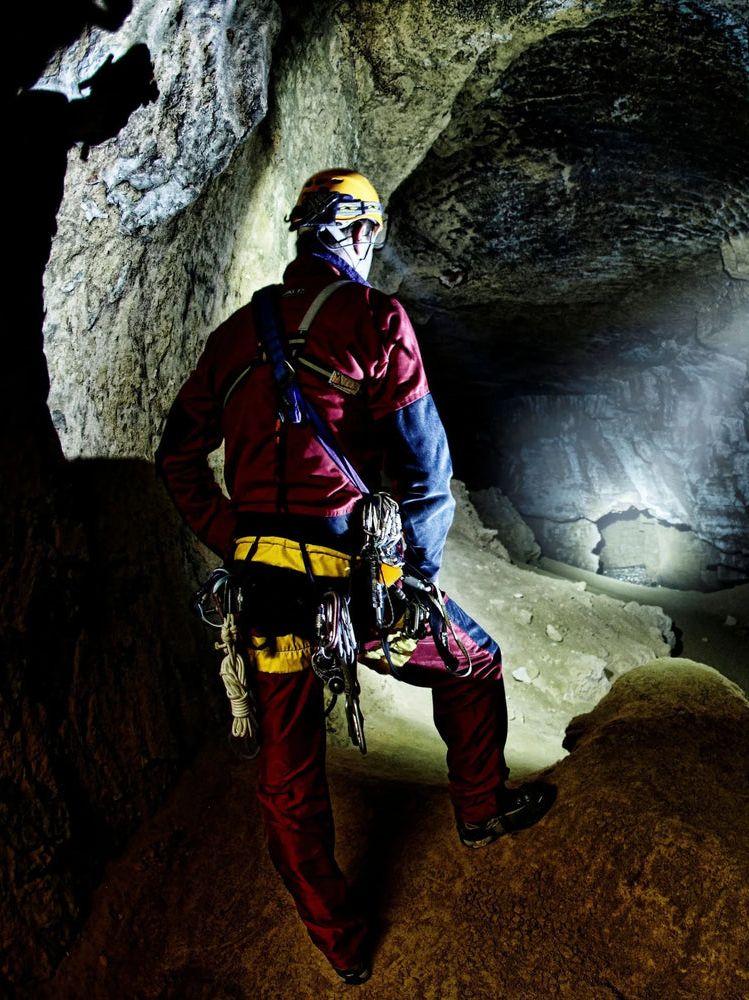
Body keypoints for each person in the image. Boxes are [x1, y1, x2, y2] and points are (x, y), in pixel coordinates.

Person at [156, 169, 554, 984]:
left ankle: (339, 942)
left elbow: (178, 458)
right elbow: (427, 472)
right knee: (473, 664)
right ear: (362, 233)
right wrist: (415, 580)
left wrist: (234, 536)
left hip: (266, 595)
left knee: (287, 772)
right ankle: (481, 807)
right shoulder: (375, 317)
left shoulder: (233, 336)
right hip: (357, 587)